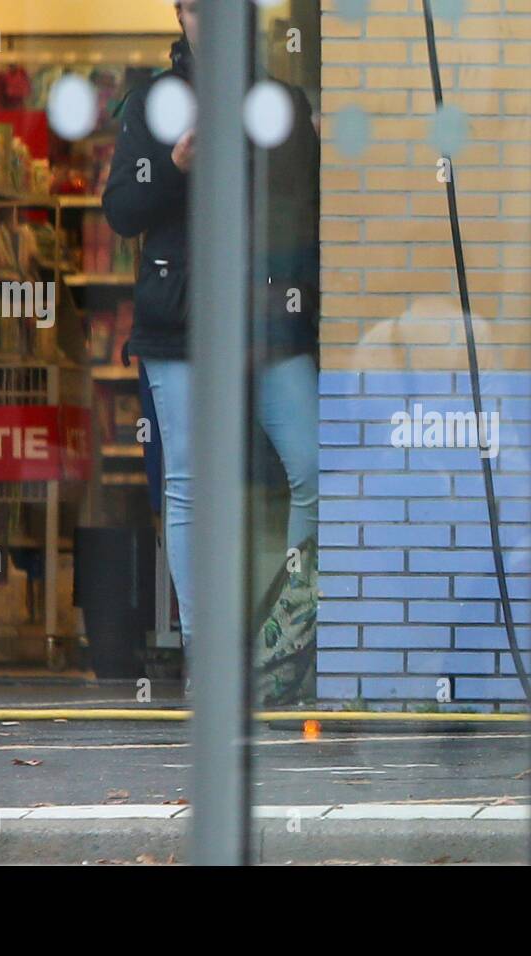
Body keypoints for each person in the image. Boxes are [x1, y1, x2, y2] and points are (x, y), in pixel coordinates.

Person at [102, 0, 321, 660]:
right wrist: (173, 165)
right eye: (197, 7)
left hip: (269, 319)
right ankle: (207, 654)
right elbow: (120, 211)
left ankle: (286, 639)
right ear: (179, 15)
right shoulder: (154, 101)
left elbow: (309, 207)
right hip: (184, 321)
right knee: (192, 485)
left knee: (316, 467)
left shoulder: (276, 101)